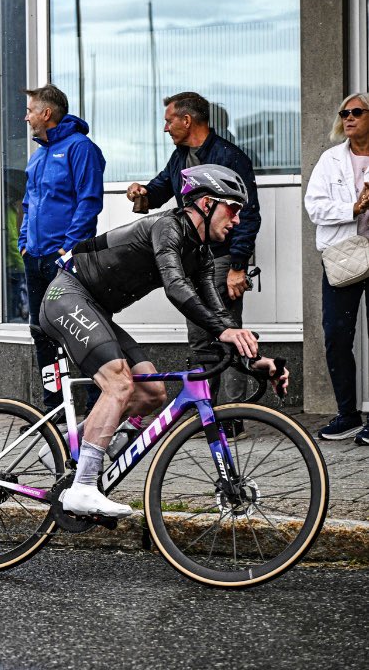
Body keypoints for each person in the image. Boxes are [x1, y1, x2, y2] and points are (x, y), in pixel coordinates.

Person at [40, 164, 289, 518]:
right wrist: (226, 331)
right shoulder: (167, 227)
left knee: (153, 392)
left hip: (94, 308)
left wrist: (254, 361)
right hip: (66, 295)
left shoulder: (200, 255)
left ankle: (72, 442)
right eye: (232, 208)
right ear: (205, 203)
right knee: (119, 382)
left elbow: (217, 319)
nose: (236, 219)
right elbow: (175, 286)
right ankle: (82, 487)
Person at [127, 92, 261, 434]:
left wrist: (238, 266)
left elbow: (248, 215)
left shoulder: (230, 157)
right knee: (201, 340)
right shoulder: (180, 157)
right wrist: (141, 193)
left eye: (169, 120)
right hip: (194, 261)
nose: (165, 127)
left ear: (187, 120)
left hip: (222, 260)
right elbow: (158, 191)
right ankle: (208, 413)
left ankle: (231, 416)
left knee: (228, 336)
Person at [19, 84, 105, 411]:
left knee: (80, 331)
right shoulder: (38, 154)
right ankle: (54, 408)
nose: (26, 118)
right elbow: (28, 204)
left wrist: (67, 250)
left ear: (46, 113)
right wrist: (25, 243)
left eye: (30, 111)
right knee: (42, 334)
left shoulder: (80, 148)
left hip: (65, 261)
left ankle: (98, 405)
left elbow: (89, 202)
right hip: (36, 259)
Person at [305, 92, 369, 445]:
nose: (349, 117)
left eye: (357, 112)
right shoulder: (331, 160)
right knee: (336, 336)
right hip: (344, 257)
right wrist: (353, 208)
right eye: (344, 112)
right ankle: (347, 414)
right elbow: (314, 208)